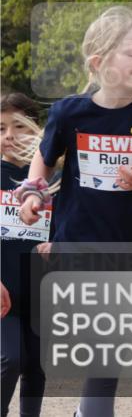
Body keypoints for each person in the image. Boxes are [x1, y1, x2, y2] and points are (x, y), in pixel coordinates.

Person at [17, 6, 132, 417]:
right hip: (76, 242)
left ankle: (90, 411)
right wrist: (32, 193)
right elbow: (43, 159)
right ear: (99, 63)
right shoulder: (71, 112)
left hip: (130, 245)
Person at [1, 93, 48, 417]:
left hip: (43, 294)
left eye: (19, 126)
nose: (9, 136)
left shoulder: (52, 183)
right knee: (11, 357)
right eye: (1, 128)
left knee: (37, 365)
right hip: (3, 294)